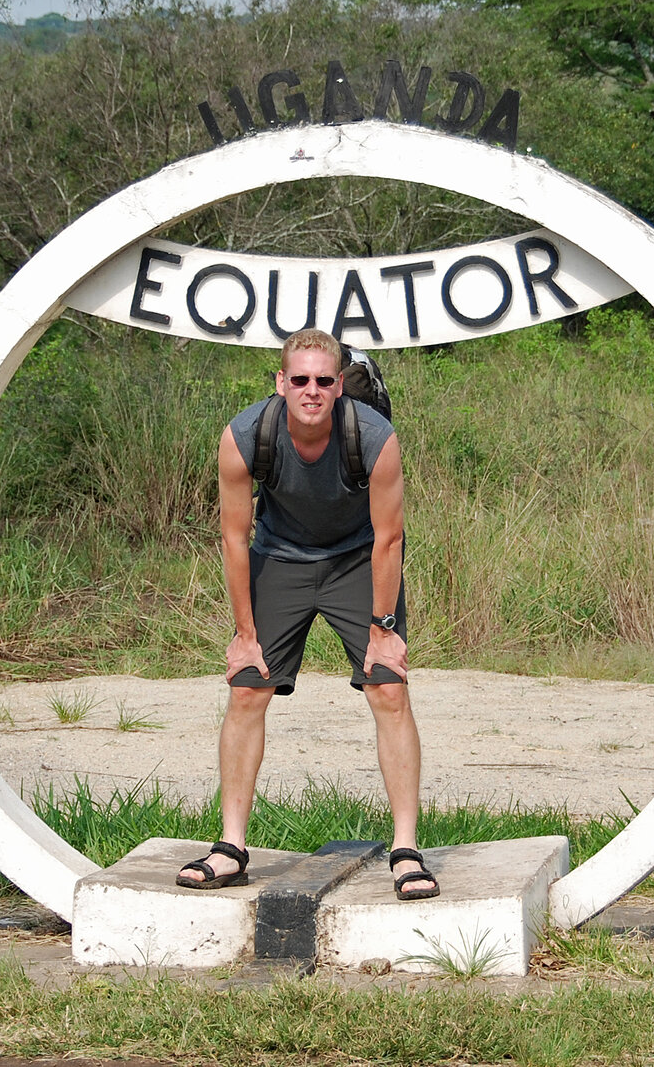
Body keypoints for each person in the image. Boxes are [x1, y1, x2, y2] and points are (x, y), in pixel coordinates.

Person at [174, 328, 438, 899]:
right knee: (248, 687)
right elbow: (234, 537)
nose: (311, 391)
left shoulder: (373, 436)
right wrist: (246, 634)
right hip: (279, 557)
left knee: (388, 687)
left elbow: (390, 539)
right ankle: (231, 848)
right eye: (300, 380)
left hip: (357, 558)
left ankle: (406, 850)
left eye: (323, 380)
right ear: (281, 383)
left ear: (339, 385)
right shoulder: (246, 435)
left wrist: (384, 629)